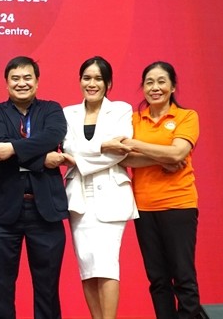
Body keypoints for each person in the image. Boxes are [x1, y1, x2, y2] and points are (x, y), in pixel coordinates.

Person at [0, 56, 68, 319]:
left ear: (37, 80)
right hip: (3, 213)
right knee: (1, 286)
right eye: (15, 78)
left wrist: (13, 149)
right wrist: (43, 158)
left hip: (46, 211)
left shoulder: (52, 109)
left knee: (47, 288)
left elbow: (53, 136)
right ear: (7, 83)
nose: (22, 83)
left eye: (27, 77)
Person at [121, 61, 201, 319]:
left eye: (161, 81)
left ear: (173, 86)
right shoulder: (133, 120)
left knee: (183, 277)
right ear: (143, 87)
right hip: (143, 207)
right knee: (157, 279)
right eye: (149, 82)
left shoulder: (186, 117)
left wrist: (137, 145)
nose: (155, 88)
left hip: (179, 205)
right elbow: (124, 159)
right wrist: (164, 157)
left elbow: (179, 151)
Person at [61, 56, 139, 319]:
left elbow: (120, 151)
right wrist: (102, 145)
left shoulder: (120, 109)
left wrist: (96, 151)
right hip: (79, 197)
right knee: (87, 266)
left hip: (111, 194)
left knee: (106, 265)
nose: (91, 83)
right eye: (87, 78)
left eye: (98, 78)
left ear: (108, 83)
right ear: (80, 80)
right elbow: (68, 149)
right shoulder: (67, 113)